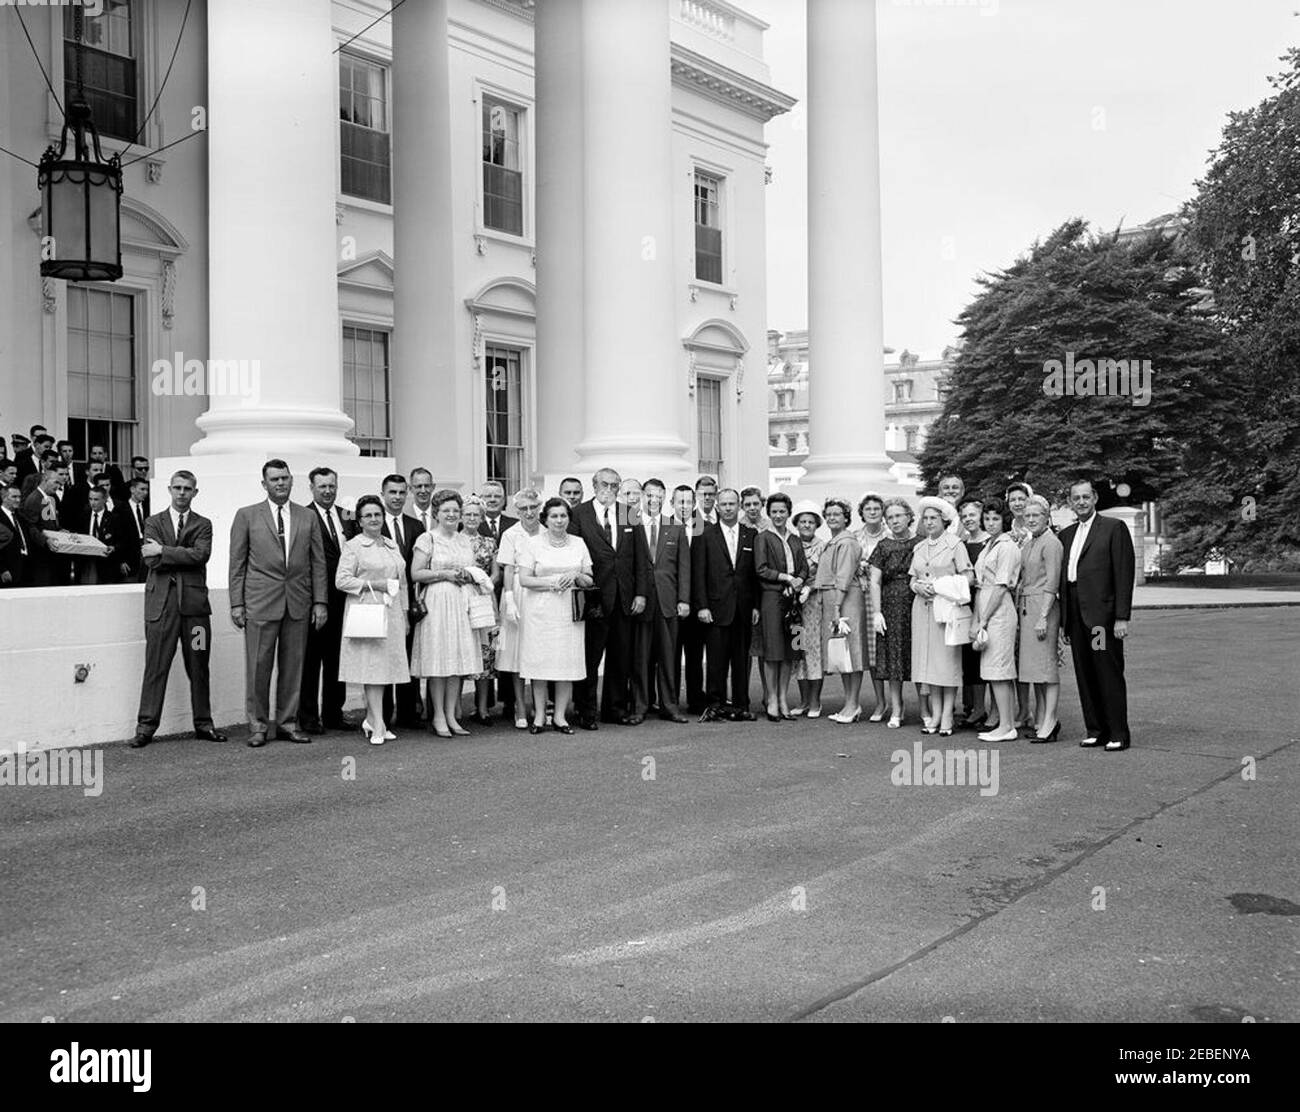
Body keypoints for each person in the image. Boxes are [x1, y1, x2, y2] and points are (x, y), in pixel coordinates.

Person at [228, 459, 327, 747]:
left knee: (293, 667)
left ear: (292, 481)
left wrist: (320, 601)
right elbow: (237, 563)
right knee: (258, 668)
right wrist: (237, 603)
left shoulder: (307, 517)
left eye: (285, 478)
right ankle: (258, 726)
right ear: (264, 484)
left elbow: (317, 562)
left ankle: (288, 723)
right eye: (275, 479)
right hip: (260, 603)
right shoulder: (246, 516)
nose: (281, 483)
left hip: (298, 602)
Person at [129, 470, 225, 747]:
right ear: (169, 490)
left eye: (188, 489)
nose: (182, 493)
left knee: (199, 666)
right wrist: (169, 554)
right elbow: (151, 561)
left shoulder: (203, 524)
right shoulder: (152, 522)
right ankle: (145, 727)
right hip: (161, 608)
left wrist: (164, 550)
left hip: (195, 610)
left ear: (195, 492)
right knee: (156, 666)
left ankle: (204, 724)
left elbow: (200, 555)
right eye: (178, 488)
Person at [571, 468, 651, 728]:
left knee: (620, 657)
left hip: (624, 598)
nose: (609, 489)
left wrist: (640, 593)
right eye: (604, 484)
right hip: (593, 597)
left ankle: (615, 709)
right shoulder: (579, 514)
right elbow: (572, 553)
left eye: (615, 485)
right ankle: (586, 711)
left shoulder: (630, 513)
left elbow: (641, 558)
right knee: (590, 657)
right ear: (594, 485)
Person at [1059, 479, 1135, 751]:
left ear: (1094, 498)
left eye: (1085, 497)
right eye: (1075, 498)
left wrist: (1121, 617)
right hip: (1076, 617)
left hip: (1101, 619)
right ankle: (1095, 729)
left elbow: (1124, 574)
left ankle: (1117, 732)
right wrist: (1064, 622)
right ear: (1070, 502)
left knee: (1106, 671)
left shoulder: (1113, 528)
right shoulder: (1065, 535)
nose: (1081, 502)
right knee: (1085, 673)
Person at [517, 497, 594, 734]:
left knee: (565, 664)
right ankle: (539, 716)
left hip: (569, 612)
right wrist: (552, 582)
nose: (559, 520)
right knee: (540, 664)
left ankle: (560, 717)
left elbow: (590, 579)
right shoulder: (533, 544)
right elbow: (524, 579)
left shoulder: (578, 543)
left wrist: (575, 576)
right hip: (540, 612)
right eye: (554, 516)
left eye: (563, 516)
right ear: (545, 519)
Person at [336, 494, 409, 744]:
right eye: (368, 515)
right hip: (367, 612)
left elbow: (403, 583)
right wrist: (373, 584)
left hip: (392, 613)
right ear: (360, 520)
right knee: (373, 670)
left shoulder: (391, 544)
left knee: (385, 668)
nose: (374, 519)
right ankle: (377, 723)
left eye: (378, 514)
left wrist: (406, 613)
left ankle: (373, 719)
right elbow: (342, 580)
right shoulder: (353, 546)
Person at [409, 490, 483, 738]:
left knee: (456, 662)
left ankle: (451, 714)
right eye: (446, 511)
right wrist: (444, 574)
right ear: (436, 514)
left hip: (461, 602)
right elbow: (416, 573)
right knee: (438, 661)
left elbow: (472, 570)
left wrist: (467, 575)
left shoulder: (464, 540)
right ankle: (438, 715)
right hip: (437, 602)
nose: (451, 515)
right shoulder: (427, 538)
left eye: (455, 510)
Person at [909, 496, 974, 735]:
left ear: (943, 520)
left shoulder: (955, 544)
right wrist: (917, 587)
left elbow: (968, 577)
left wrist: (941, 585)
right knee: (928, 664)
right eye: (925, 518)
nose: (928, 522)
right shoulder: (919, 547)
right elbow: (912, 578)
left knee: (947, 662)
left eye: (933, 518)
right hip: (922, 610)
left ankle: (948, 713)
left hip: (945, 610)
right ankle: (935, 713)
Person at [301, 467, 359, 733]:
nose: (327, 491)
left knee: (338, 660)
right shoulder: (302, 516)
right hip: (315, 601)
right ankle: (309, 718)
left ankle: (334, 714)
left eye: (331, 486)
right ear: (311, 488)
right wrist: (317, 601)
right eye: (322, 486)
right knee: (311, 661)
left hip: (344, 600)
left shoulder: (347, 516)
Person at [693, 488, 758, 721]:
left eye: (732, 504)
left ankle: (741, 705)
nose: (728, 508)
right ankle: (715, 705)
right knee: (716, 661)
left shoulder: (750, 535)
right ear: (717, 507)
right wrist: (701, 606)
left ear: (738, 505)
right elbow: (698, 573)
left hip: (743, 608)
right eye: (724, 504)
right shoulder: (704, 535)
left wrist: (756, 606)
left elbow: (753, 574)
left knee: (741, 661)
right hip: (715, 608)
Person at [971, 497, 1022, 743]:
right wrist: (978, 619)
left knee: (1000, 670)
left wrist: (984, 619)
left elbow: (1001, 587)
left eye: (996, 519)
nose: (990, 523)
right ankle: (1005, 723)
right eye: (987, 519)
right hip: (988, 612)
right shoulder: (988, 545)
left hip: (999, 613)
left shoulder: (1007, 546)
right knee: (993, 671)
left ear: (1005, 520)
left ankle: (1007, 725)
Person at [639, 478, 691, 722]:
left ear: (664, 498)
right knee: (641, 656)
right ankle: (640, 706)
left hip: (669, 601)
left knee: (668, 657)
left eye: (658, 496)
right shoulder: (633, 524)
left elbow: (684, 567)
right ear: (642, 496)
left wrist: (684, 600)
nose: (653, 500)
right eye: (649, 495)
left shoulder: (676, 527)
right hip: (641, 601)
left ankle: (669, 706)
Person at [754, 492, 808, 721]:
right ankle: (772, 698)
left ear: (788, 513)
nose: (778, 515)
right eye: (774, 511)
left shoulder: (795, 539)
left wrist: (798, 582)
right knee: (772, 652)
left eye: (782, 511)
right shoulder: (763, 538)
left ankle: (785, 697)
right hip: (772, 599)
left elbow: (804, 568)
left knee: (790, 652)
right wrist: (787, 578)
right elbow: (761, 569)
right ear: (769, 513)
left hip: (793, 602)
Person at [495, 488, 544, 729]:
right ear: (516, 511)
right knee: (514, 653)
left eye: (532, 507)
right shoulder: (510, 534)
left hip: (540, 592)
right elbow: (506, 569)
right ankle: (519, 705)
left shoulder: (547, 532)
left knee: (537, 649)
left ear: (539, 508)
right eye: (523, 508)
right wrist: (509, 598)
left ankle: (538, 704)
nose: (528, 512)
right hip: (516, 590)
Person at [815, 497, 867, 723]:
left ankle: (854, 703)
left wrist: (836, 607)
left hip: (845, 600)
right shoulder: (835, 541)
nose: (831, 518)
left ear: (846, 517)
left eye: (837, 514)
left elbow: (843, 577)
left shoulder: (846, 542)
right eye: (829, 514)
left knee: (852, 652)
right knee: (842, 655)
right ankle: (849, 703)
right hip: (835, 599)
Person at [869, 497, 919, 727]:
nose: (894, 520)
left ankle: (926, 709)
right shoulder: (883, 546)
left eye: (898, 515)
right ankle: (897, 709)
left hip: (917, 604)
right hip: (889, 606)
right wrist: (877, 612)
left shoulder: (921, 542)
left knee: (919, 657)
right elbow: (875, 581)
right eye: (889, 517)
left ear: (909, 516)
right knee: (893, 658)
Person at [380, 473, 424, 729]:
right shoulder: (373, 523)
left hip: (407, 601)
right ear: (383, 494)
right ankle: (382, 715)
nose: (397, 497)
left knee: (407, 655)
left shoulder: (415, 525)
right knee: (384, 657)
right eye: (392, 492)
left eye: (401, 492)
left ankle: (408, 714)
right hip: (381, 600)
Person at [1018, 495, 1063, 742]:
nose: (1032, 519)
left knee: (1047, 667)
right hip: (1028, 606)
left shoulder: (1051, 543)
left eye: (1037, 515)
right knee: (1036, 669)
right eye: (1028, 516)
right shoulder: (1030, 543)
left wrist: (1043, 616)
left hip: (1043, 607)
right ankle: (1043, 718)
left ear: (1047, 517)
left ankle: (1050, 720)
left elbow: (1052, 582)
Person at [460, 495, 501, 724]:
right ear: (461, 516)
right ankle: (454, 708)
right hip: (460, 598)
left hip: (485, 598)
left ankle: (483, 708)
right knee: (461, 651)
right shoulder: (453, 540)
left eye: (476, 514)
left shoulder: (489, 542)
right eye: (468, 514)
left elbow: (496, 572)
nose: (472, 518)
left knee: (486, 654)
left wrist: (485, 582)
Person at [670, 483, 708, 714]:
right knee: (671, 655)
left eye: (688, 501)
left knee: (695, 656)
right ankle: (670, 699)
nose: (684, 506)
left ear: (694, 503)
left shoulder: (705, 528)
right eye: (679, 501)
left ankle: (696, 699)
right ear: (672, 503)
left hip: (697, 603)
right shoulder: (663, 527)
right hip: (672, 601)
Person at [852, 492, 888, 719]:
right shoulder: (855, 537)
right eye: (868, 509)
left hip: (887, 594)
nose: (873, 512)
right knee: (870, 651)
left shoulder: (890, 534)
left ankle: (891, 702)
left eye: (876, 508)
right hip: (863, 595)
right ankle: (877, 702)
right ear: (862, 513)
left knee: (887, 649)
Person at [789, 501, 826, 717]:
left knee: (813, 651)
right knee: (798, 651)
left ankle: (815, 701)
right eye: (802, 521)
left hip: (813, 604)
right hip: (793, 607)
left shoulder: (823, 546)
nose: (806, 525)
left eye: (810, 521)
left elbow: (824, 575)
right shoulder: (791, 543)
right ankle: (802, 701)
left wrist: (809, 589)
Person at [956, 496, 990, 729]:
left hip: (986, 604)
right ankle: (976, 708)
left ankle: (990, 710)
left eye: (972, 515)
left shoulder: (992, 542)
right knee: (969, 660)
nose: (968, 519)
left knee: (987, 659)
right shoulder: (962, 544)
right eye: (964, 516)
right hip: (964, 606)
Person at [19, 461, 67, 586]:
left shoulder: (49, 498)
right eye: (56, 482)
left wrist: (60, 530)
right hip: (40, 554)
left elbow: (49, 523)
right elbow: (31, 526)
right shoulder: (34, 498)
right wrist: (45, 541)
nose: (58, 486)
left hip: (50, 552)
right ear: (45, 479)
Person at [74, 486, 129, 585]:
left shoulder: (114, 518)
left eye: (96, 499)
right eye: (90, 499)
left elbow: (123, 540)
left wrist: (114, 548)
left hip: (107, 564)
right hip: (86, 562)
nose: (92, 503)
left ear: (104, 500)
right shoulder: (83, 516)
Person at [0, 481, 32, 587]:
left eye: (19, 497)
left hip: (25, 567)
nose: (18, 500)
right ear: (4, 498)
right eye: (14, 497)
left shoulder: (20, 516)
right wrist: (2, 570)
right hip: (8, 569)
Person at [120, 477, 150, 581]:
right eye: (142, 489)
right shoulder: (120, 508)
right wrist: (121, 560)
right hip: (130, 553)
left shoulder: (149, 507)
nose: (145, 492)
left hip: (147, 549)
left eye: (146, 489)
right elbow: (118, 535)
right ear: (132, 489)